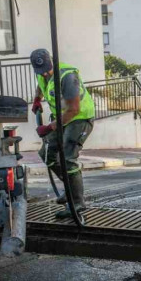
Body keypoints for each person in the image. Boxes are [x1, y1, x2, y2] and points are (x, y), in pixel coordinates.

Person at [30, 49, 95, 219]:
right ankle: (69, 189)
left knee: (67, 159)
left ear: (52, 61)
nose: (45, 72)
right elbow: (41, 83)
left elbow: (73, 109)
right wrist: (37, 98)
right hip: (62, 118)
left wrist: (49, 128)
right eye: (41, 70)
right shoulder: (41, 73)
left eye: (47, 68)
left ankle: (77, 202)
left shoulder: (67, 76)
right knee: (47, 154)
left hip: (79, 118)